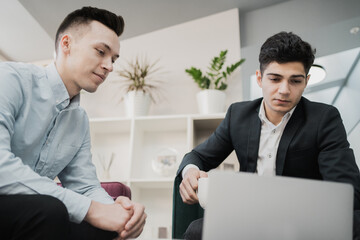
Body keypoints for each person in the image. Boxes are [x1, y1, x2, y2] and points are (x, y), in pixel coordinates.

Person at [177, 31, 360, 240]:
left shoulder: (324, 118)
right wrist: (190, 172)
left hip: (303, 219)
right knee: (196, 230)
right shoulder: (238, 115)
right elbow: (197, 157)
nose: (284, 90)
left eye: (295, 81)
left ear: (306, 81)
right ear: (259, 78)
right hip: (246, 217)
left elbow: (348, 192)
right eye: (275, 79)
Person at [0, 6, 146, 240]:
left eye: (113, 59)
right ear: (66, 44)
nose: (110, 66)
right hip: (27, 208)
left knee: (102, 228)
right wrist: (90, 209)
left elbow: (85, 185)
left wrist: (120, 214)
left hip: (33, 212)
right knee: (50, 210)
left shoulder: (79, 121)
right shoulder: (10, 78)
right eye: (101, 51)